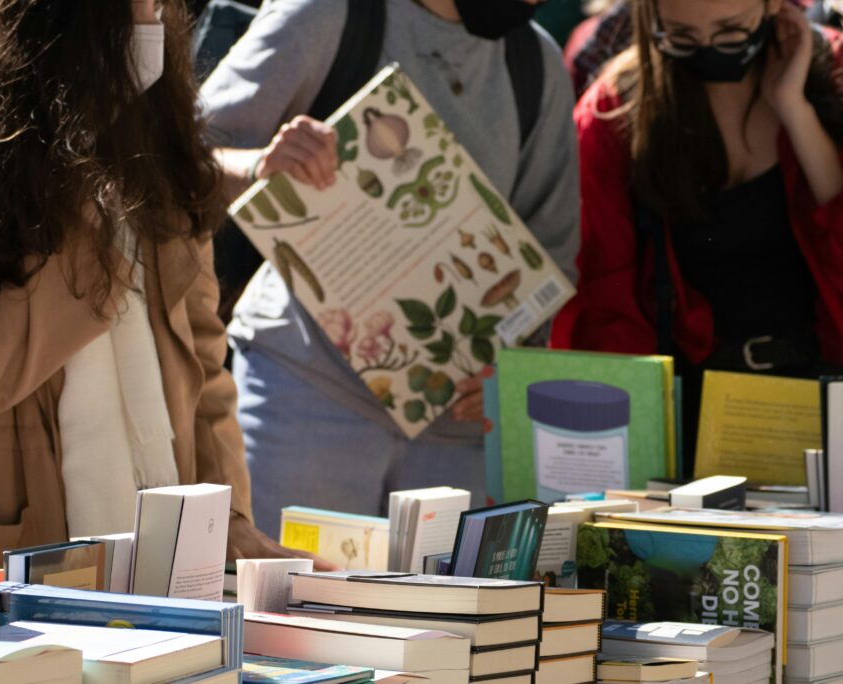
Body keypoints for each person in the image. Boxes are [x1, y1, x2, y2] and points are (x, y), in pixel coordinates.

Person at [0, 0, 320, 567]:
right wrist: (85, 209)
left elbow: (200, 360)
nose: (152, 22)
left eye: (158, 6)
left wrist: (229, 517)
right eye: (132, 8)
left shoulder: (149, 142)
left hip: (147, 563)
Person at [202, 0, 580, 537]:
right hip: (305, 397)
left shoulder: (537, 61)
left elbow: (551, 255)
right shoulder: (327, 13)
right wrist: (263, 165)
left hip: (458, 428)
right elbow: (178, 159)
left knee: (446, 622)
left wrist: (510, 365)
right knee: (287, 613)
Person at [551, 0, 843, 471]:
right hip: (693, 419)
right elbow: (604, 303)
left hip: (829, 401)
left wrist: (796, 110)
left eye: (732, 32)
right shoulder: (615, 109)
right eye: (682, 36)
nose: (709, 50)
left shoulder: (832, 71)